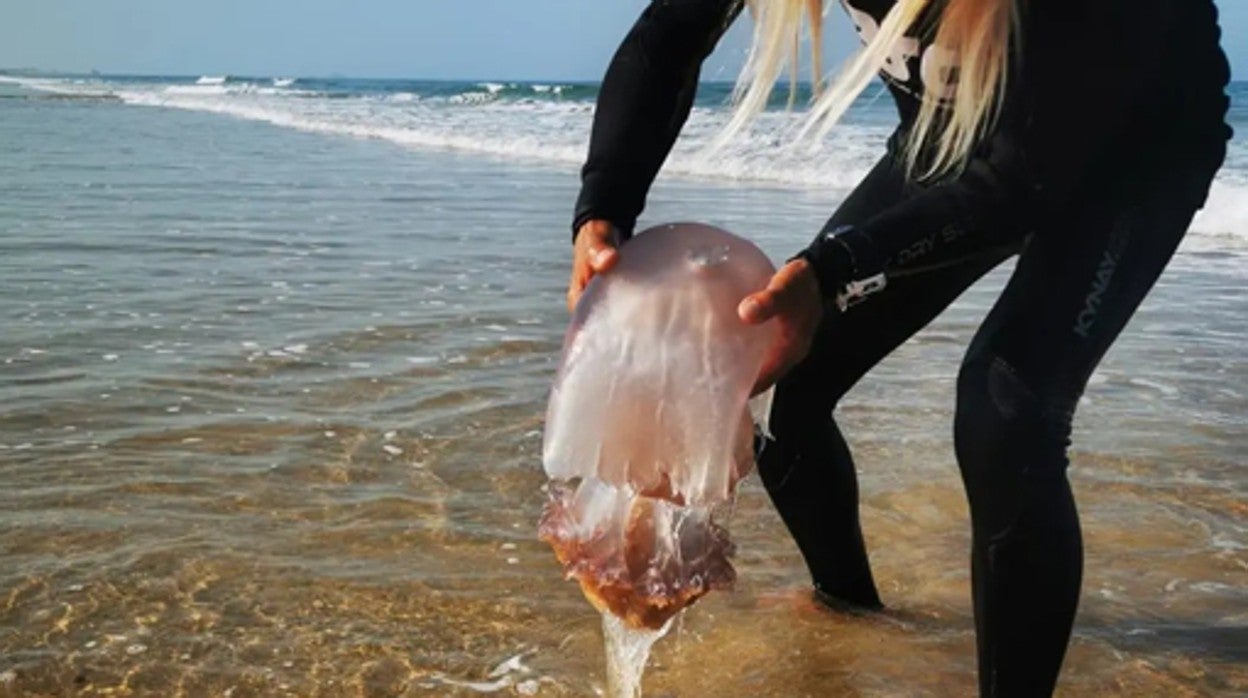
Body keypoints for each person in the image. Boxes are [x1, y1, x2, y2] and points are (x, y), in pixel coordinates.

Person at [564, 0, 1232, 694]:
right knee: (784, 380)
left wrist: (831, 270)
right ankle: (848, 608)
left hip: (1131, 162)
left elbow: (1024, 178)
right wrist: (603, 210)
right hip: (957, 136)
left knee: (1005, 410)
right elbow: (669, 36)